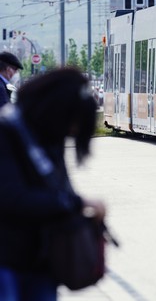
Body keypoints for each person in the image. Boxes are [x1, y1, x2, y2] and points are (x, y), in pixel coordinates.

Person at [0, 67, 106, 301]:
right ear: (58, 110)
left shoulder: (49, 136)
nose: (71, 133)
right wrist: (77, 202)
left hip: (41, 263)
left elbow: (56, 191)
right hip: (6, 261)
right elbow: (11, 198)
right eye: (72, 125)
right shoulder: (6, 132)